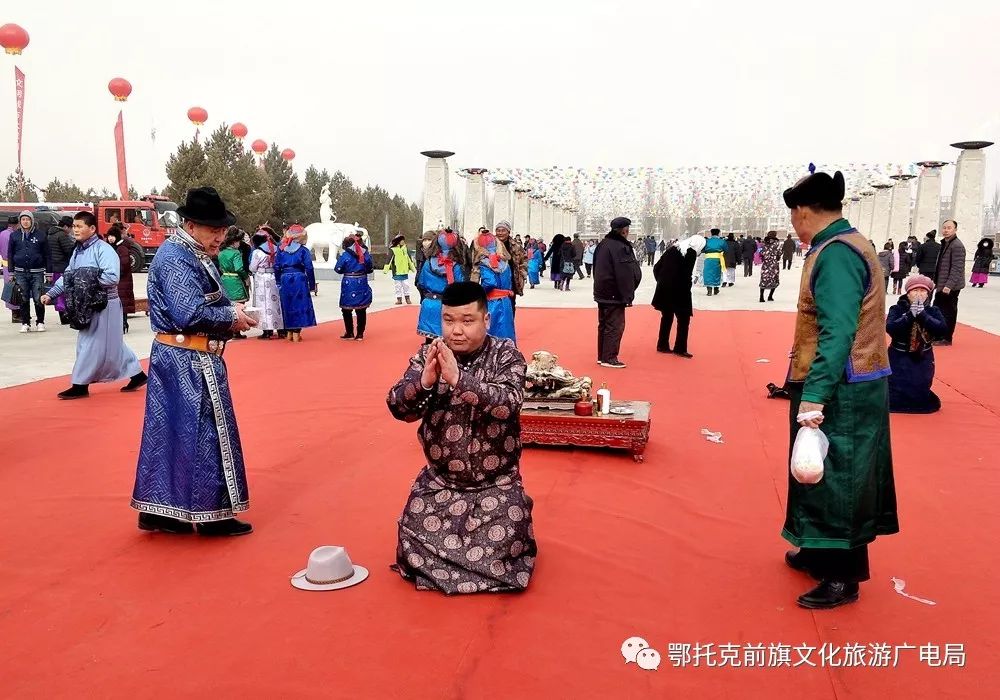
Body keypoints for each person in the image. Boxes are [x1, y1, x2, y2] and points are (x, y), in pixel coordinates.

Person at [781, 169, 897, 610]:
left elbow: (838, 330)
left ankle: (842, 576)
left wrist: (815, 393)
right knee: (813, 469)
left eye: (794, 215)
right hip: (844, 380)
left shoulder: (835, 253)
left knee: (838, 477)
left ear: (803, 212)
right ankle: (816, 547)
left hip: (842, 386)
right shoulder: (848, 243)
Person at [386, 281, 536, 594]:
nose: (456, 331)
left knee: (508, 533)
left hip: (496, 485)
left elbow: (508, 404)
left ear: (486, 320)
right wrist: (425, 383)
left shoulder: (506, 355)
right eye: (449, 320)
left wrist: (458, 380)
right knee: (410, 534)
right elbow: (399, 407)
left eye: (467, 321)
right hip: (440, 484)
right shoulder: (428, 354)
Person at [131, 186, 258, 536]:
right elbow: (188, 311)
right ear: (190, 224)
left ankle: (162, 511)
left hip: (189, 356)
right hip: (187, 359)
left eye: (221, 230)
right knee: (204, 434)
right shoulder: (176, 257)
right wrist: (231, 316)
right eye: (213, 229)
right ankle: (209, 513)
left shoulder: (194, 253)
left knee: (172, 434)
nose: (220, 236)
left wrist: (232, 317)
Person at [39, 212, 147, 399]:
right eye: (74, 226)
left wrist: (84, 279)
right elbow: (68, 277)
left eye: (79, 226)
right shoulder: (77, 252)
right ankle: (137, 375)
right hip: (88, 304)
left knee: (90, 343)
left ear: (92, 229)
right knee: (111, 344)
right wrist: (51, 294)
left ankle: (80, 384)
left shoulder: (104, 250)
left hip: (105, 303)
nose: (75, 230)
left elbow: (111, 277)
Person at [886, 275, 947, 414]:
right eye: (915, 290)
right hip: (899, 356)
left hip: (922, 357)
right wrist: (909, 316)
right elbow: (891, 328)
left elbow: (942, 329)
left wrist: (923, 316)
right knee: (896, 391)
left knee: (919, 391)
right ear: (907, 293)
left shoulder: (933, 311)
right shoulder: (896, 309)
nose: (919, 294)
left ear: (928, 294)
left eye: (923, 291)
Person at [593, 217, 641, 369]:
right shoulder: (620, 247)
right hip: (614, 292)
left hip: (602, 291)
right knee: (615, 326)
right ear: (624, 230)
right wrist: (628, 293)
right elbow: (625, 273)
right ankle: (610, 357)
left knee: (604, 325)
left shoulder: (603, 244)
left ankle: (602, 355)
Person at [652, 235, 704, 358]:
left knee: (667, 317)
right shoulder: (690, 252)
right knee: (684, 319)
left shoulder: (672, 248)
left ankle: (662, 344)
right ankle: (680, 348)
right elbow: (687, 274)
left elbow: (656, 268)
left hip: (664, 289)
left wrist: (661, 281)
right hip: (680, 290)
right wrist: (687, 287)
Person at [416, 228, 471, 340]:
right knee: (447, 342)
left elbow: (421, 282)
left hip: (429, 303)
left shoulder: (428, 262)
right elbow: (459, 286)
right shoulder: (456, 265)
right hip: (447, 305)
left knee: (430, 342)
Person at [470, 229, 516, 343]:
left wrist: (478, 292)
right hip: (506, 301)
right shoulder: (504, 262)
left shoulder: (484, 263)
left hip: (492, 302)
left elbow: (489, 283)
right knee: (506, 331)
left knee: (491, 333)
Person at [8, 211, 50, 333]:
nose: (25, 222)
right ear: (20, 222)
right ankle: (25, 322)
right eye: (23, 219)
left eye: (28, 219)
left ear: (32, 221)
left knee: (39, 298)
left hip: (37, 272)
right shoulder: (14, 236)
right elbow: (10, 254)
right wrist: (11, 272)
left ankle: (40, 322)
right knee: (23, 298)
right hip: (20, 272)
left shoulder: (41, 235)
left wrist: (49, 273)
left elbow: (47, 255)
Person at [274, 224, 317, 343]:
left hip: (284, 278)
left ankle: (289, 332)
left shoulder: (281, 249)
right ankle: (297, 333)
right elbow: (309, 267)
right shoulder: (303, 251)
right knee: (299, 304)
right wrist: (312, 285)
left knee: (287, 304)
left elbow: (276, 266)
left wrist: (278, 281)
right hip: (299, 278)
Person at [931, 219, 966, 346]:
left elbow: (957, 268)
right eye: (944, 227)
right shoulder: (945, 243)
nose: (946, 230)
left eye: (949, 228)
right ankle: (938, 335)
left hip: (950, 287)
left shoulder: (957, 245)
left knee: (948, 312)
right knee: (937, 310)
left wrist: (949, 285)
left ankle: (946, 338)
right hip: (941, 284)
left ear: (955, 230)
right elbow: (941, 265)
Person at [334, 234, 374, 340]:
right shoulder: (365, 254)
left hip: (348, 283)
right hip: (361, 282)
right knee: (361, 309)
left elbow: (338, 269)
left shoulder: (345, 255)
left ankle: (349, 332)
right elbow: (370, 268)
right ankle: (360, 334)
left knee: (346, 309)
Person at [248, 228, 284, 339]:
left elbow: (252, 267)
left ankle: (266, 330)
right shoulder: (276, 250)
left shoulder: (257, 252)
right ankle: (280, 328)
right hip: (274, 276)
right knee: (276, 303)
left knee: (263, 304)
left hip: (261, 278)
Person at [105, 224, 137, 333]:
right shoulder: (110, 248)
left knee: (122, 303)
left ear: (117, 236)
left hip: (122, 280)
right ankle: (119, 324)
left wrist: (113, 273)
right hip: (116, 280)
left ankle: (123, 323)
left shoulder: (122, 248)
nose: (110, 238)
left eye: (112, 236)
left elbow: (124, 265)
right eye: (109, 236)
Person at [46, 216, 76, 325]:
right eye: (71, 227)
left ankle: (62, 316)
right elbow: (69, 251)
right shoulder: (62, 235)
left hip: (54, 268)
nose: (72, 230)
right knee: (65, 293)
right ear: (65, 226)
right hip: (63, 267)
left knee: (59, 294)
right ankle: (66, 316)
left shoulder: (50, 234)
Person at [495, 221, 526, 315]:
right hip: (494, 279)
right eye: (498, 230)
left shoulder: (516, 246)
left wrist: (522, 273)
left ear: (508, 232)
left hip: (511, 279)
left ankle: (509, 327)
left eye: (503, 230)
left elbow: (524, 260)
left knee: (510, 303)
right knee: (494, 304)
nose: (500, 233)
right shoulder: (491, 245)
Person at [1, 215, 20, 322]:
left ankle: (15, 314)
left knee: (9, 289)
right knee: (17, 289)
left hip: (5, 266)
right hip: (14, 265)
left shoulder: (2, 234)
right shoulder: (14, 235)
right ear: (16, 224)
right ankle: (17, 314)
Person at [388, 234, 416, 304]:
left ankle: (407, 298)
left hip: (404, 271)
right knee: (398, 286)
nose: (403, 242)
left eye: (403, 240)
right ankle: (399, 299)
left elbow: (409, 259)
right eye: (401, 240)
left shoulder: (405, 249)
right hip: (397, 271)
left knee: (406, 285)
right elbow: (389, 259)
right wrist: (386, 268)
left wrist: (412, 267)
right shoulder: (393, 250)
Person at [758, 231, 782, 302]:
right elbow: (780, 253)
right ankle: (770, 296)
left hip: (766, 264)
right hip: (774, 265)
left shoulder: (764, 243)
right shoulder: (777, 244)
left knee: (763, 279)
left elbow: (760, 252)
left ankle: (761, 297)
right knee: (774, 279)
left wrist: (764, 257)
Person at [702, 229, 725, 295]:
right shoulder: (721, 241)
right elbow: (726, 249)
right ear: (718, 234)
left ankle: (709, 290)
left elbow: (702, 250)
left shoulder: (706, 241)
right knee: (717, 273)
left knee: (708, 274)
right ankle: (716, 289)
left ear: (711, 234)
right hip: (718, 259)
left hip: (708, 259)